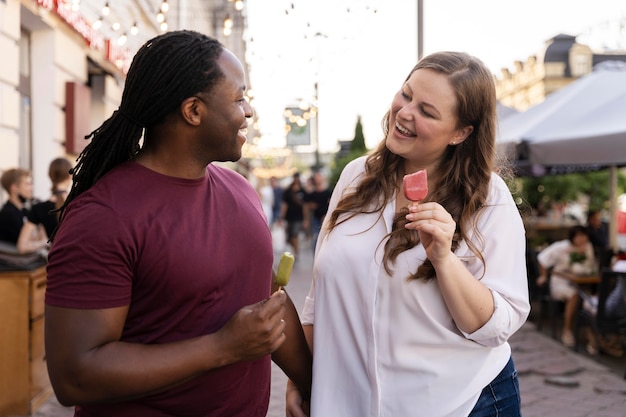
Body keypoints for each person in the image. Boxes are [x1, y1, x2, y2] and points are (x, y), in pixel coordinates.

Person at [44, 30, 311, 417]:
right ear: (193, 111)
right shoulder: (103, 217)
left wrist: (313, 384)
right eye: (239, 98)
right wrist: (223, 347)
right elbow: (75, 376)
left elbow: (268, 298)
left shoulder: (240, 189)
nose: (249, 111)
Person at [287, 52, 530, 416]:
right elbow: (319, 297)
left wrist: (444, 259)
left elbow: (496, 328)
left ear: (460, 133)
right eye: (406, 94)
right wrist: (300, 377)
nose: (404, 112)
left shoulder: (487, 198)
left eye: (427, 112)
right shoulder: (356, 176)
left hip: (463, 402)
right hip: (350, 402)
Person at [536, 225, 596, 347]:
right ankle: (567, 331)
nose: (582, 239)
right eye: (579, 236)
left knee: (590, 301)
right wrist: (543, 276)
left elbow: (590, 267)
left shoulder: (588, 247)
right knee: (573, 295)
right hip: (560, 283)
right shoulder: (561, 247)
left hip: (581, 283)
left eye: (584, 236)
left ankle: (592, 337)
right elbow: (542, 258)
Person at [16, 157, 73, 254]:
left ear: (50, 176)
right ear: (69, 176)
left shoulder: (39, 208)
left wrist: (45, 243)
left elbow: (22, 246)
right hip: (79, 262)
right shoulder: (78, 203)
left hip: (55, 263)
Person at [0, 168, 37, 245]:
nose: (31, 188)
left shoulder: (24, 211)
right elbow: (27, 243)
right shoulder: (8, 214)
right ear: (14, 188)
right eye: (27, 184)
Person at [278, 172, 308, 256]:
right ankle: (296, 249)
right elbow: (284, 205)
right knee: (288, 238)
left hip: (298, 217)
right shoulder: (288, 191)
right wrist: (281, 217)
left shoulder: (303, 191)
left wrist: (306, 219)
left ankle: (296, 253)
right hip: (289, 217)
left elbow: (305, 206)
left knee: (295, 235)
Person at [304, 170, 331, 252]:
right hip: (315, 219)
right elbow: (307, 206)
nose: (317, 180)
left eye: (319, 177)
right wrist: (306, 220)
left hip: (326, 219)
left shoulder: (328, 192)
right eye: (316, 178)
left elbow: (331, 206)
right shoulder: (311, 194)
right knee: (316, 239)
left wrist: (327, 215)